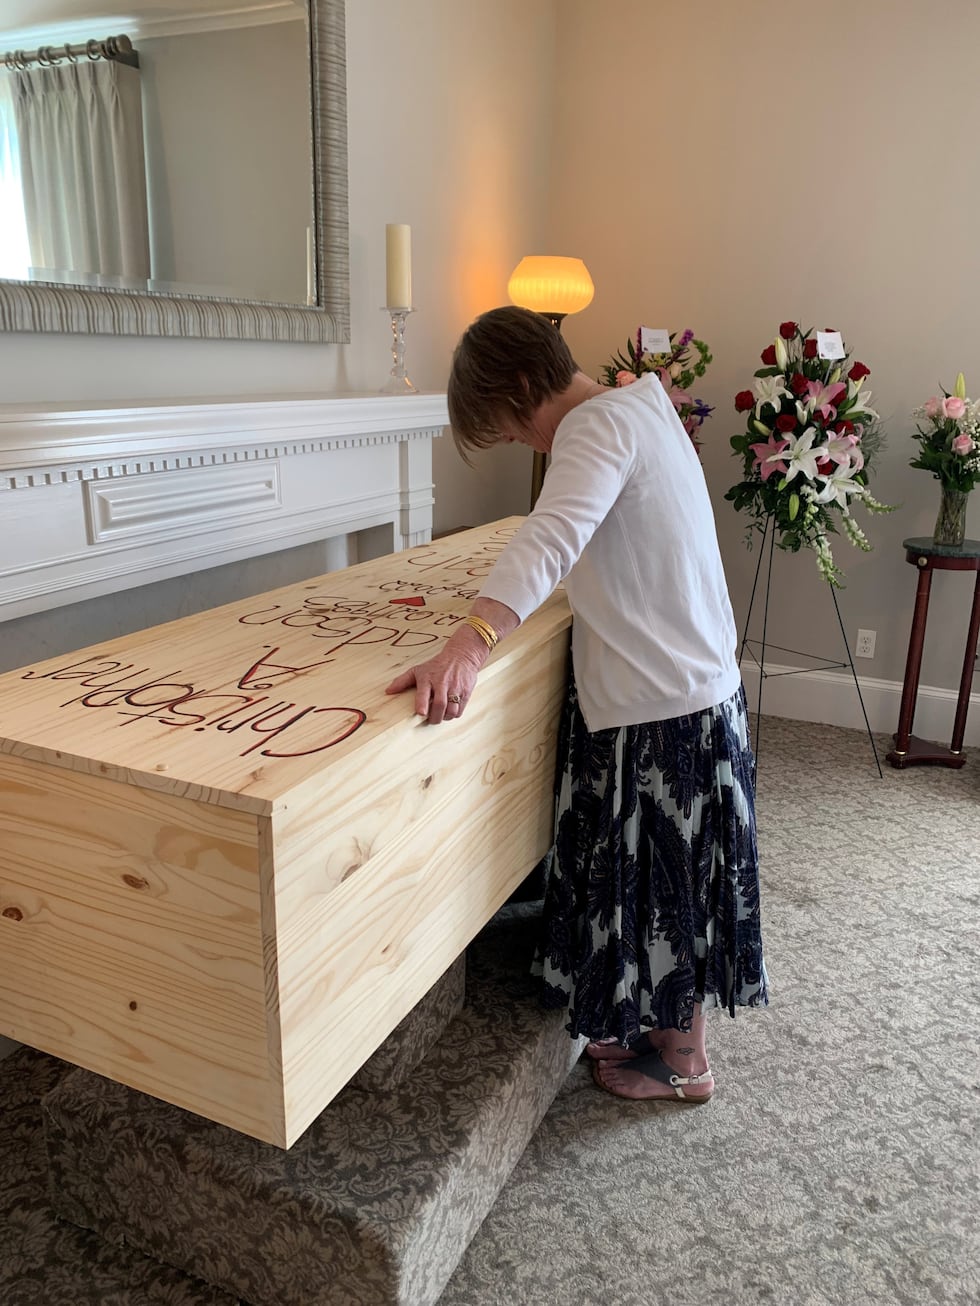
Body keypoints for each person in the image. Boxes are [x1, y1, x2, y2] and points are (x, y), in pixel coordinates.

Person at [386, 305, 768, 1103]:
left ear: (524, 384)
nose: (520, 442)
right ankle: (656, 1034)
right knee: (661, 883)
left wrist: (469, 642)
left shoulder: (595, 427)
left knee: (667, 888)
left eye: (508, 426)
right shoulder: (639, 406)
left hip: (666, 704)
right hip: (688, 690)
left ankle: (685, 1065)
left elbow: (552, 536)